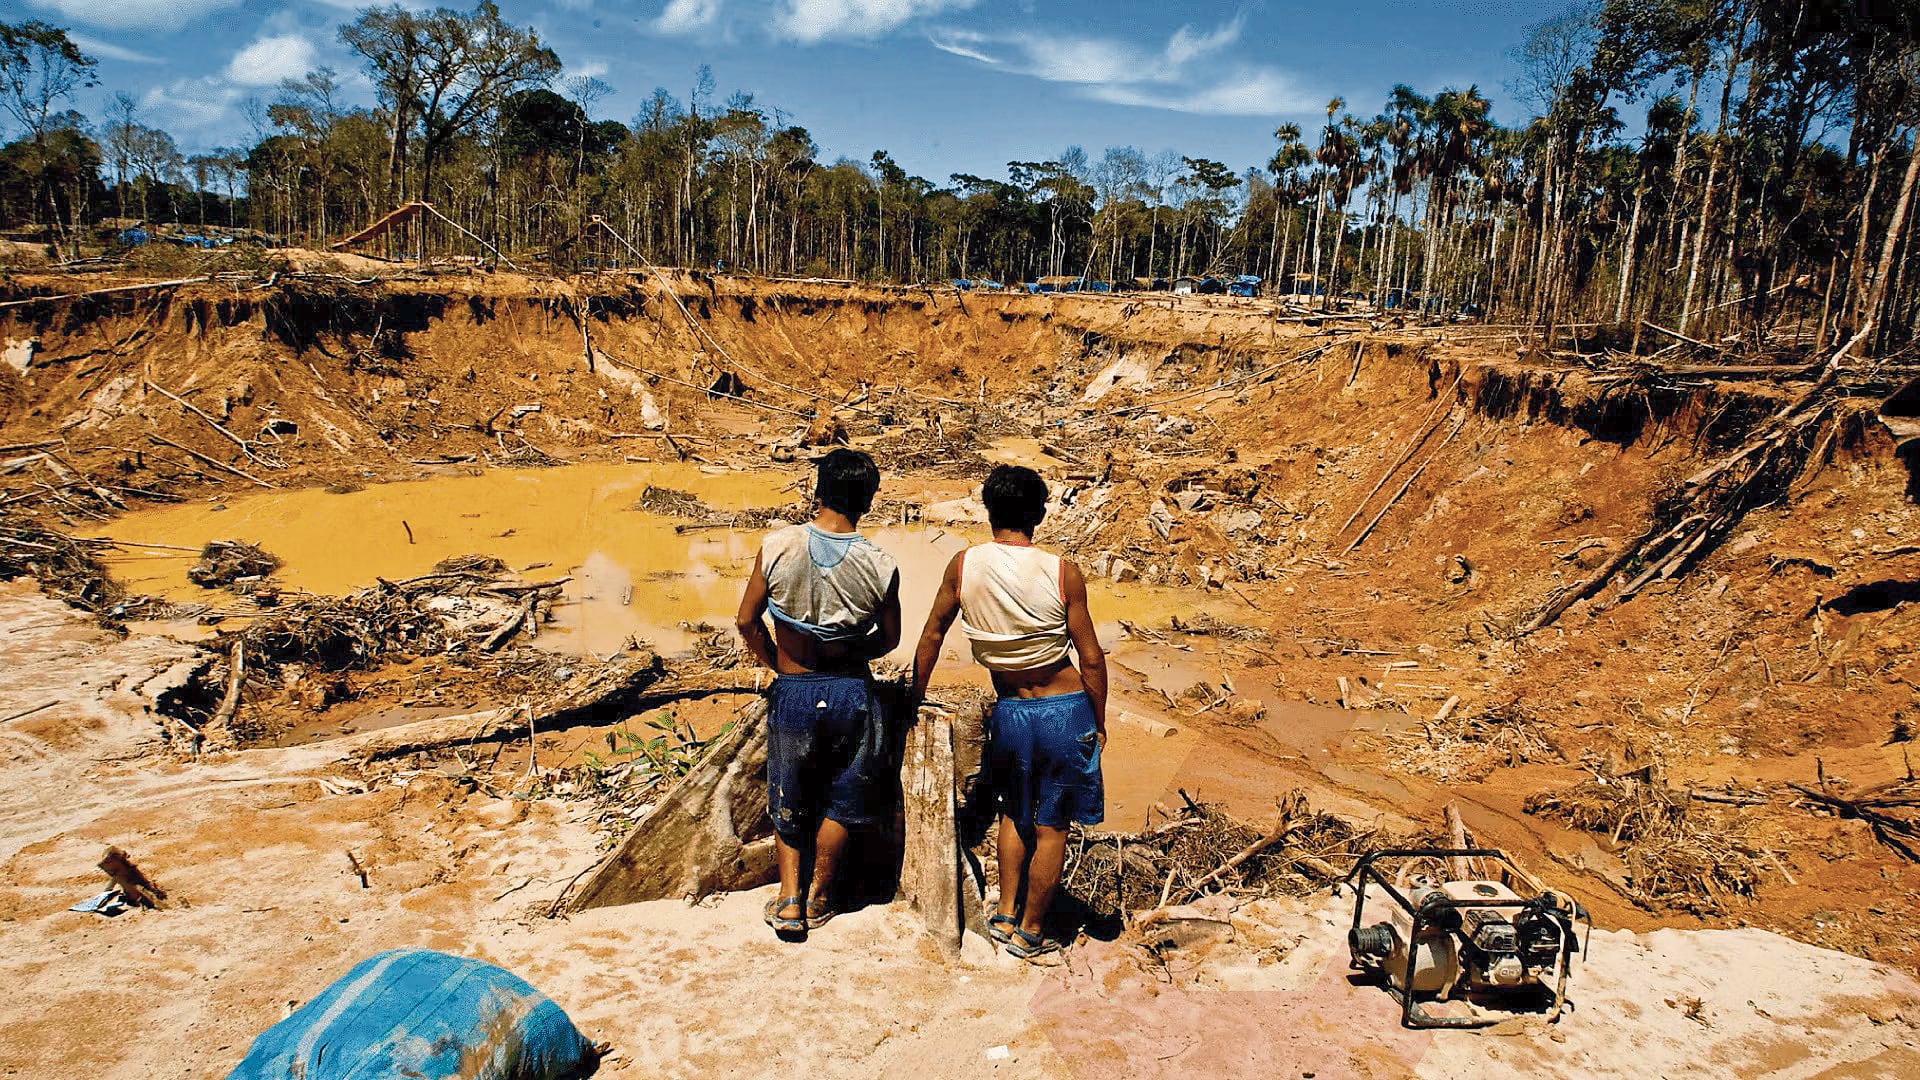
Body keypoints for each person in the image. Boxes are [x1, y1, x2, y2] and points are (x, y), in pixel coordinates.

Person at [911, 464, 1106, 962]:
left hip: (1010, 712)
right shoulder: (1062, 570)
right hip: (1064, 710)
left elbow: (932, 634)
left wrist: (914, 695)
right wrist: (1098, 719)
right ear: (1040, 513)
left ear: (988, 509)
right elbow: (1090, 656)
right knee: (1052, 825)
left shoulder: (963, 565)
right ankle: (1033, 929)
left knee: (1013, 814)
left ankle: (1003, 913)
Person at [736, 448, 901, 939]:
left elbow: (746, 620)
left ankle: (788, 900)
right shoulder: (881, 564)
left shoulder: (778, 546)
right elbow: (889, 640)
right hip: (852, 692)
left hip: (793, 688)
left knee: (790, 790)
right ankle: (821, 896)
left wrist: (776, 662)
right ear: (868, 501)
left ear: (817, 491)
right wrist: (847, 652)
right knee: (845, 795)